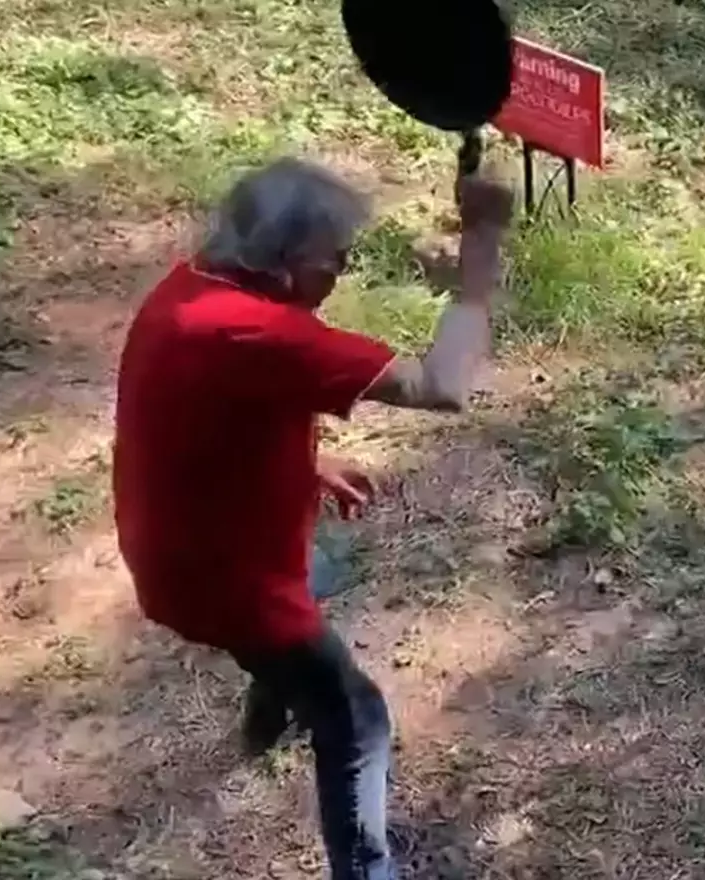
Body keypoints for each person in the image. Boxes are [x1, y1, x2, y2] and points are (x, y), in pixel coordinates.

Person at [111, 156, 515, 880]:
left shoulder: (189, 291)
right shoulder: (261, 334)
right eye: (339, 261)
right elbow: (442, 385)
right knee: (356, 724)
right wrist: (480, 255)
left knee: (323, 566)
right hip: (227, 584)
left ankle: (272, 699)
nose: (342, 275)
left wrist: (306, 467)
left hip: (172, 542)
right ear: (291, 263)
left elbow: (196, 418)